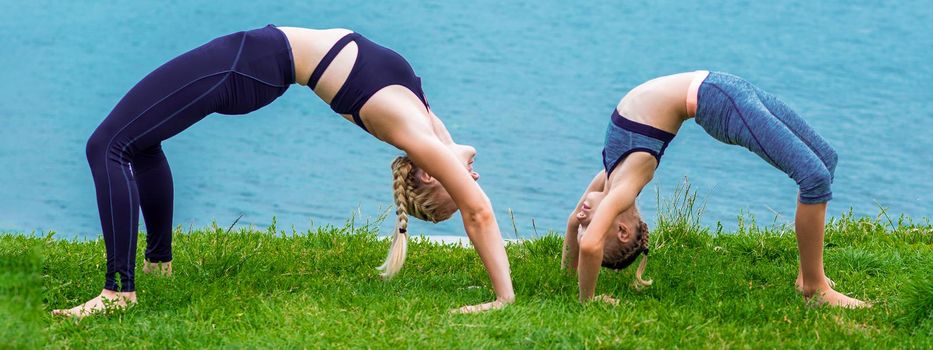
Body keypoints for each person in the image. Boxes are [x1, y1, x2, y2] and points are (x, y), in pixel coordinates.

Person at [52, 25, 514, 317]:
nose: (473, 179)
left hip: (245, 66)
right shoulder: (427, 123)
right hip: (253, 61)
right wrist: (457, 155)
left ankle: (117, 292)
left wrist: (503, 297)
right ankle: (159, 265)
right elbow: (459, 151)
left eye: (459, 185)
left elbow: (480, 214)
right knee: (143, 141)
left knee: (107, 146)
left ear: (430, 174)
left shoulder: (412, 132)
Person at [561, 71, 868, 308]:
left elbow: (574, 224)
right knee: (813, 177)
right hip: (718, 103)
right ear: (623, 230)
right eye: (592, 226)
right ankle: (816, 289)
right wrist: (587, 302)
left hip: (725, 87)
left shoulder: (610, 175)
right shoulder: (624, 189)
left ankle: (806, 275)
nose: (584, 218)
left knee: (825, 160)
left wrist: (567, 272)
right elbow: (590, 246)